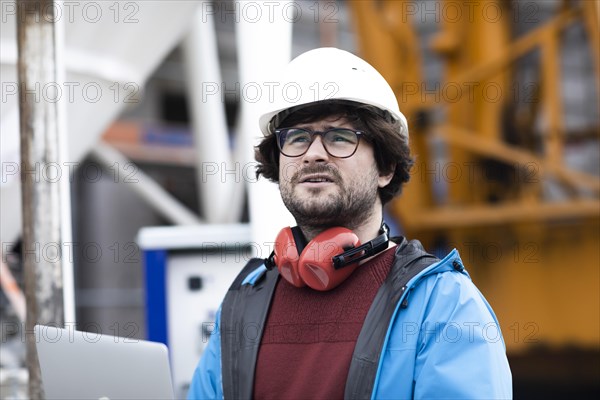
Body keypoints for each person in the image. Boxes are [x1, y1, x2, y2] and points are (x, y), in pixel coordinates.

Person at [187, 47, 512, 399]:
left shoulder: (444, 306)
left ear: (385, 169)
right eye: (296, 138)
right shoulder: (242, 303)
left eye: (339, 138)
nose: (313, 153)